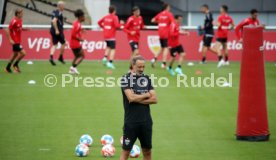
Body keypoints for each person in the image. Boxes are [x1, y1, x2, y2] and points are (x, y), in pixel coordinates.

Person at [120, 56, 158, 160]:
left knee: (147, 152)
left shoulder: (147, 79)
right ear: (133, 65)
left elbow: (154, 99)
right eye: (139, 67)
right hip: (131, 123)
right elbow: (131, 98)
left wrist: (138, 98)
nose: (141, 69)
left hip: (146, 122)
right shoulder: (125, 79)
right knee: (126, 151)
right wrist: (146, 94)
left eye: (143, 67)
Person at [98, 5, 123, 69]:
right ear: (114, 11)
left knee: (108, 46)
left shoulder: (106, 17)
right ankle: (110, 62)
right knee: (113, 49)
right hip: (111, 36)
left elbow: (99, 22)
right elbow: (117, 26)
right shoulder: (115, 17)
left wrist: (103, 27)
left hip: (106, 35)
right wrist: (121, 24)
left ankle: (105, 58)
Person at [150, 3, 174, 68]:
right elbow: (173, 23)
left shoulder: (160, 14)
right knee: (166, 48)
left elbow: (152, 20)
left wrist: (160, 22)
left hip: (160, 33)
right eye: (169, 7)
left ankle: (154, 59)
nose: (170, 8)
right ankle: (163, 63)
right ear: (167, 7)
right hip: (166, 33)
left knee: (162, 47)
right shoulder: (169, 14)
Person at [5, 9, 26, 73]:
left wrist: (25, 29)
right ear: (17, 14)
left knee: (15, 54)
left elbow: (19, 28)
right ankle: (15, 65)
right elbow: (7, 30)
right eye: (21, 13)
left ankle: (7, 68)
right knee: (23, 53)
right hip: (15, 41)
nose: (22, 14)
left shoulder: (20, 20)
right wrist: (10, 39)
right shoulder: (14, 21)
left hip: (18, 40)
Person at [124, 6, 144, 71]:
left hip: (137, 38)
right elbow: (124, 28)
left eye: (139, 11)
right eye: (137, 11)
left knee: (133, 54)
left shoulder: (140, 18)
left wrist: (144, 27)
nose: (138, 13)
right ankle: (131, 68)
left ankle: (130, 69)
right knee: (136, 52)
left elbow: (141, 26)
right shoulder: (130, 19)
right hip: (131, 38)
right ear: (133, 12)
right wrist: (130, 32)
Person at [49, 1, 66, 66]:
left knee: (55, 44)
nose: (64, 7)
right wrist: (56, 30)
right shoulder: (58, 12)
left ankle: (51, 57)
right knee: (63, 43)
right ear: (60, 6)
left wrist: (62, 21)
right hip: (57, 31)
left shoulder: (54, 12)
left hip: (52, 30)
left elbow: (55, 20)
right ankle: (60, 57)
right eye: (63, 6)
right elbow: (54, 21)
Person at [69, 9, 85, 75]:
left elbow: (77, 30)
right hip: (75, 43)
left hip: (72, 43)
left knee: (77, 56)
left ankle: (71, 69)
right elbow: (73, 34)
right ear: (80, 17)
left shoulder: (76, 23)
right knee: (82, 56)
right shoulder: (77, 24)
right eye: (83, 16)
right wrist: (80, 39)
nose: (84, 18)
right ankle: (74, 67)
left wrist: (82, 30)